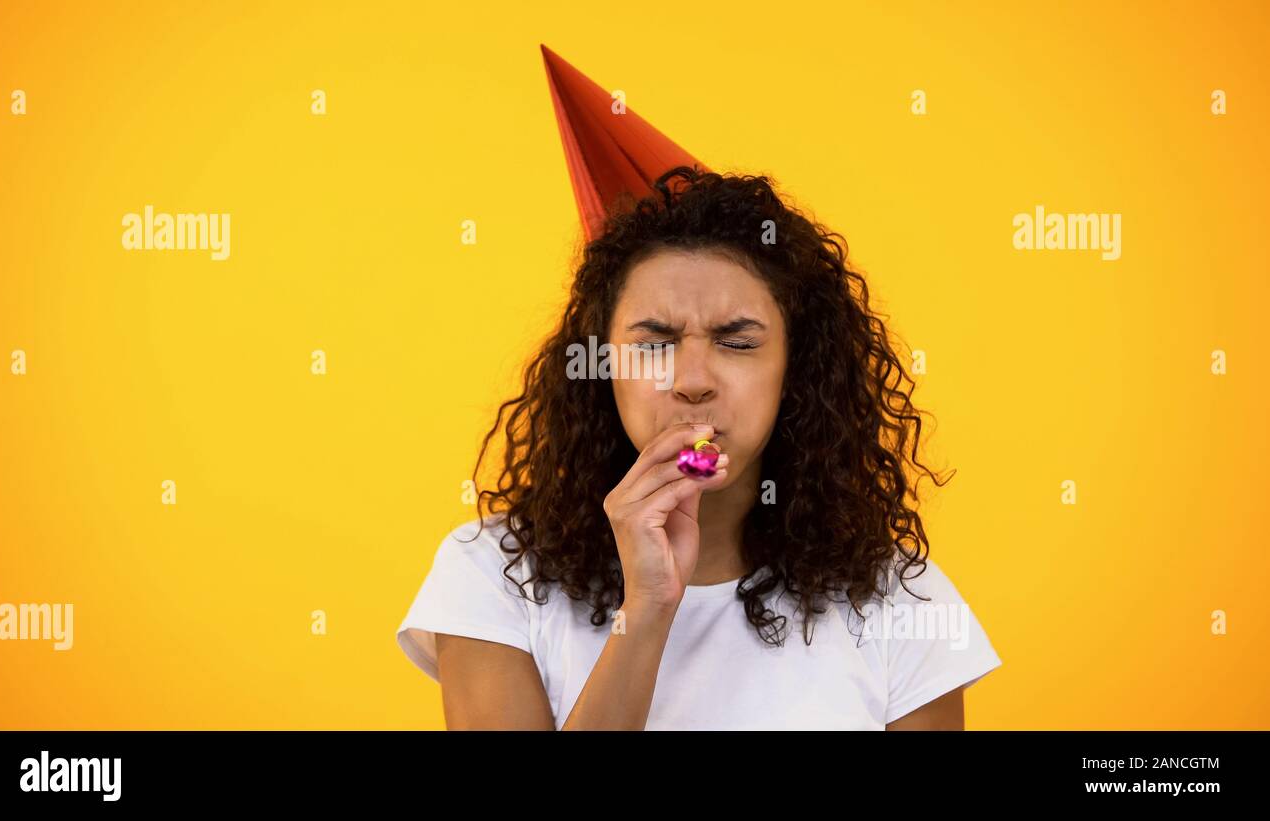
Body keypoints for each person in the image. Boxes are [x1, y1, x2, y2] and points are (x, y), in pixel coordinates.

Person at [395, 165, 1002, 729]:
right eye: (654, 343)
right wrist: (650, 605)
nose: (691, 381)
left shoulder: (899, 598)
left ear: (797, 370)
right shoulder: (492, 572)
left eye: (737, 343)